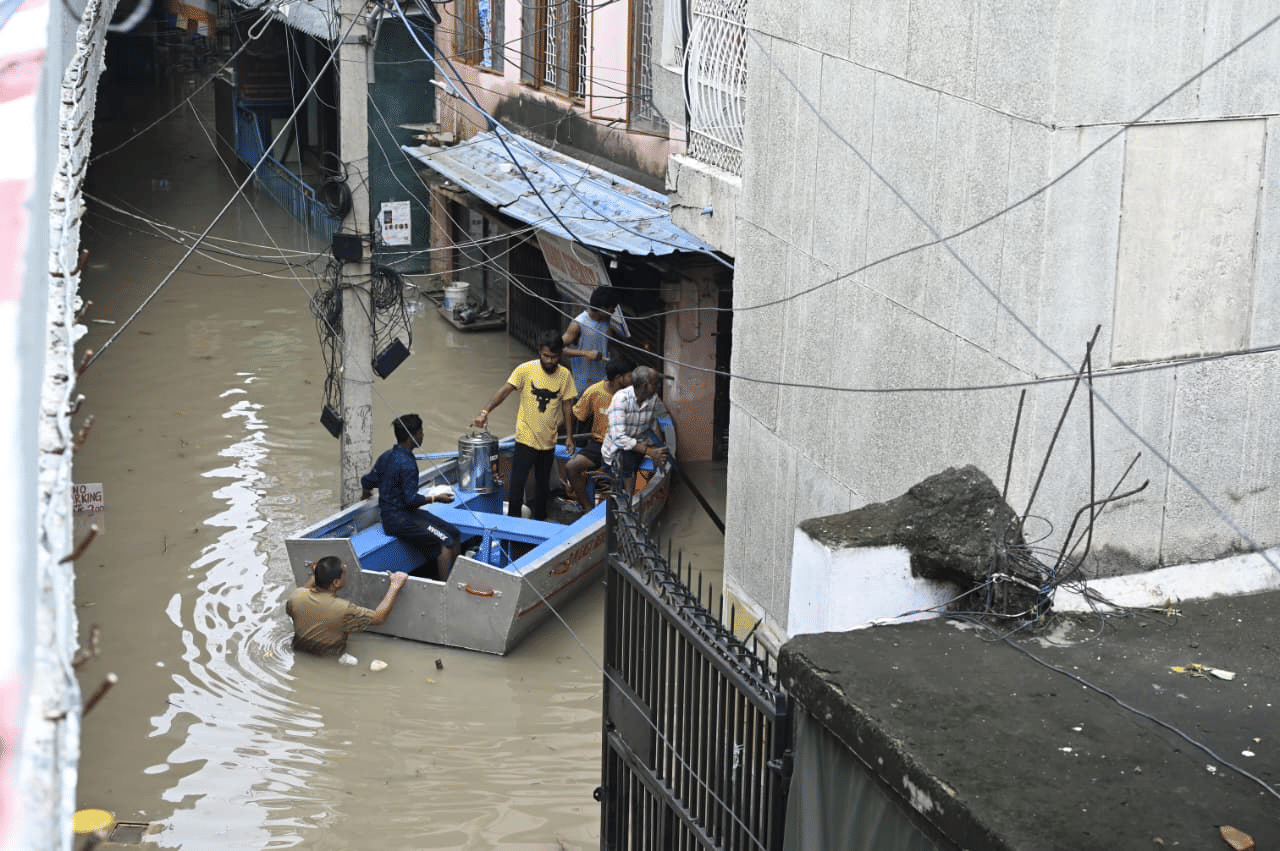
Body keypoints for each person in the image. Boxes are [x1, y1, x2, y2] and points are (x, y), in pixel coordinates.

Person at [473, 330, 577, 519]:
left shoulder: (565, 376)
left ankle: (540, 519)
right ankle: (513, 521)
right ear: (539, 351)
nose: (549, 361)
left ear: (560, 355)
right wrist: (484, 412)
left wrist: (569, 436)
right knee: (517, 484)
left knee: (543, 485)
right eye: (546, 356)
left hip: (548, 441)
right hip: (525, 439)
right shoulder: (525, 370)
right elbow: (505, 391)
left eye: (554, 357)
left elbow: (567, 406)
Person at [361, 414, 461, 581]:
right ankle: (446, 587)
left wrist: (365, 496)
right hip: (399, 521)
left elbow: (367, 481)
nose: (423, 435)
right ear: (411, 437)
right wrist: (436, 498)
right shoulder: (408, 464)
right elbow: (411, 500)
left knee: (454, 533)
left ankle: (456, 578)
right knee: (445, 542)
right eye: (420, 432)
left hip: (402, 514)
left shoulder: (386, 456)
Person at [286, 556, 408, 656]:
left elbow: (305, 591)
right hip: (329, 656)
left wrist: (318, 574)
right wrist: (395, 586)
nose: (347, 574)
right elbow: (378, 618)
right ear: (336, 582)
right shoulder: (343, 608)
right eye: (344, 572)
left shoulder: (296, 595)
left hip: (298, 649)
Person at [565, 355, 635, 509]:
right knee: (571, 467)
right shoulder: (594, 391)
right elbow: (576, 414)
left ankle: (623, 506)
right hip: (599, 445)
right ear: (619, 378)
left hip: (624, 447)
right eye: (630, 376)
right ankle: (587, 507)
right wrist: (566, 436)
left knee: (616, 474)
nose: (633, 379)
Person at [602, 365, 669, 481]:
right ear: (644, 386)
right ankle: (628, 492)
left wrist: (660, 450)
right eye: (655, 384)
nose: (658, 386)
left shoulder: (653, 399)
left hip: (640, 446)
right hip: (617, 449)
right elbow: (619, 438)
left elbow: (659, 422)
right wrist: (650, 452)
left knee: (665, 463)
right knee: (626, 461)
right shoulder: (621, 398)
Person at [561, 286, 620, 412]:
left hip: (603, 384)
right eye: (612, 309)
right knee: (580, 419)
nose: (613, 312)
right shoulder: (578, 324)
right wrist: (586, 353)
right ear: (602, 309)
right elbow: (558, 349)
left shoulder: (607, 321)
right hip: (583, 387)